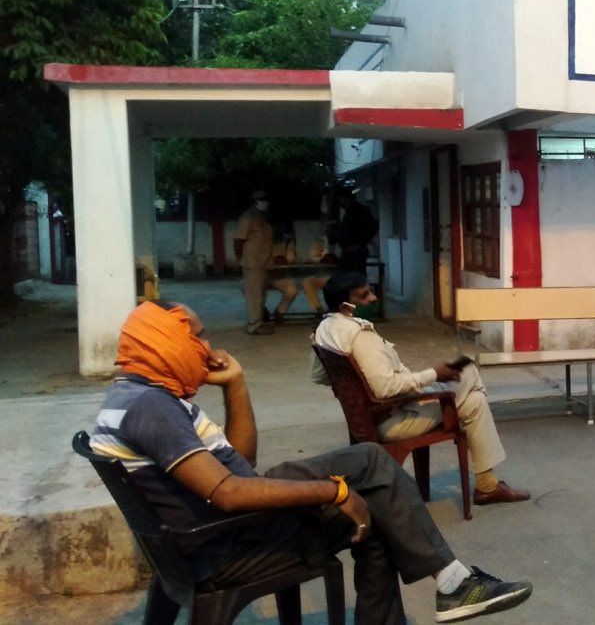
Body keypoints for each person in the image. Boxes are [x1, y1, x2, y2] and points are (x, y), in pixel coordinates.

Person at [90, 300, 533, 623]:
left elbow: (240, 461)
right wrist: (335, 492)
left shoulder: (137, 395)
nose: (207, 346)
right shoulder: (152, 408)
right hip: (230, 539)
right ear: (167, 342)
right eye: (198, 336)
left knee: (373, 475)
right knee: (375, 489)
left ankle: (452, 582)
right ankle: (453, 582)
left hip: (212, 530)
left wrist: (235, 385)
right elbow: (228, 492)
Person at [310, 272, 530, 505]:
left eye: (371, 291)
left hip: (368, 418)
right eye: (364, 296)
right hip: (393, 420)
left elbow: (319, 375)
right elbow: (385, 388)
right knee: (470, 379)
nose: (373, 298)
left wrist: (353, 387)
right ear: (345, 306)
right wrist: (434, 374)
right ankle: (487, 485)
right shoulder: (359, 335)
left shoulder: (324, 329)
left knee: (474, 400)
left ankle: (488, 484)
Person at [234, 190, 275, 335]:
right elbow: (239, 240)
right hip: (252, 262)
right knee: (254, 295)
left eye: (266, 199)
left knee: (261, 295)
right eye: (262, 199)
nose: (265, 202)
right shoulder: (247, 217)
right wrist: (239, 259)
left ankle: (259, 321)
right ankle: (254, 325)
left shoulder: (262, 217)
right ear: (254, 201)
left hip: (264, 262)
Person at [335, 188, 379, 275]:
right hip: (349, 252)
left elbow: (373, 226)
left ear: (344, 198)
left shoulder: (359, 210)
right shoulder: (349, 211)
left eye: (339, 199)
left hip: (356, 253)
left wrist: (359, 244)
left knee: (356, 278)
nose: (339, 202)